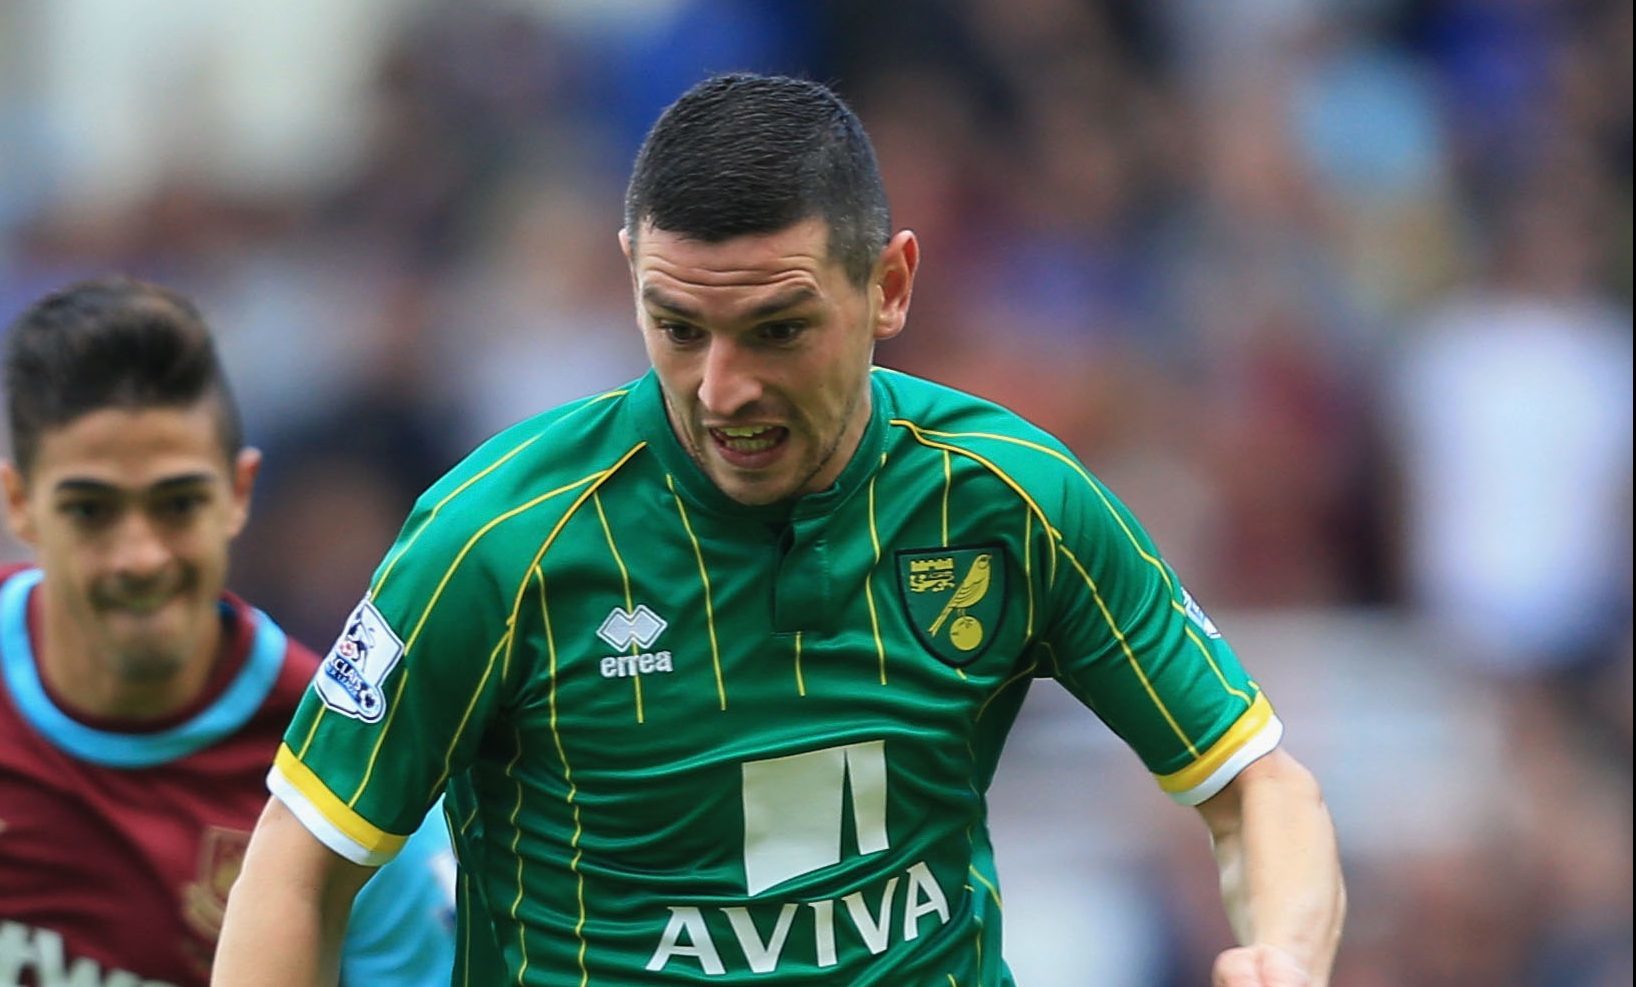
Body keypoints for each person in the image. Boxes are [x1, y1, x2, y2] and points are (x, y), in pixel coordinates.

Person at [216, 73, 1345, 986]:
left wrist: (1284, 956)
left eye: (777, 328)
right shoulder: (496, 540)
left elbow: (1257, 790)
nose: (721, 390)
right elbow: (300, 869)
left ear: (889, 286)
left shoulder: (1009, 501)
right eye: (677, 326)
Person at [0, 277, 458, 987]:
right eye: (91, 511)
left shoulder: (348, 759)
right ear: (21, 504)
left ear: (239, 493)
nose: (141, 555)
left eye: (178, 504)